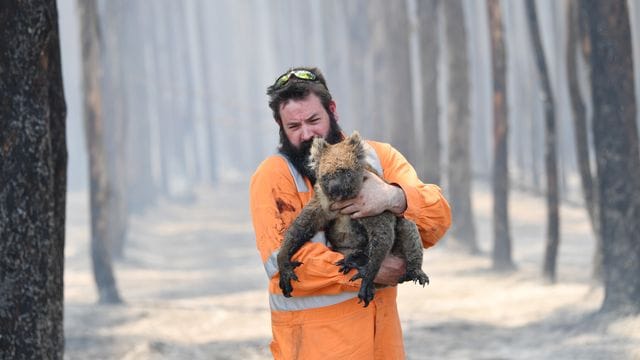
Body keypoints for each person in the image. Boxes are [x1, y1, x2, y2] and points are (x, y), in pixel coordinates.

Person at [249, 66, 451, 359]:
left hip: (382, 346)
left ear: (332, 110)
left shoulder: (378, 158)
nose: (307, 133)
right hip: (313, 350)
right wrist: (366, 270)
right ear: (281, 127)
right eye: (294, 126)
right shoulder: (274, 176)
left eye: (313, 120)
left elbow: (438, 219)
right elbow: (280, 261)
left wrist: (393, 197)